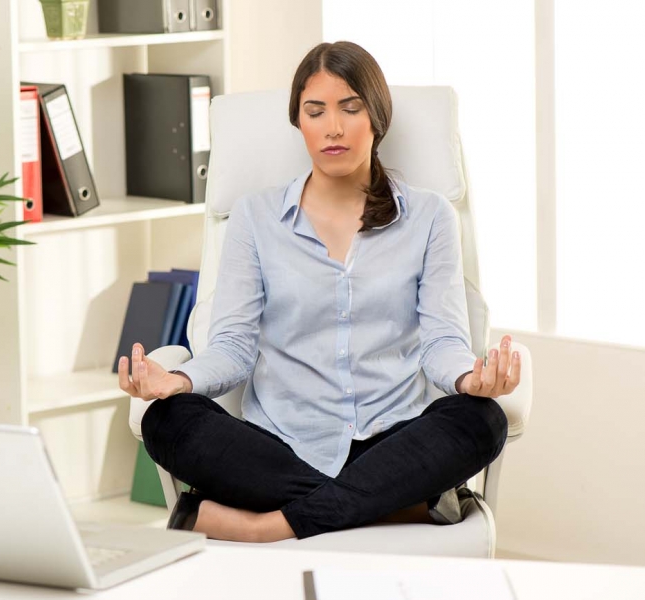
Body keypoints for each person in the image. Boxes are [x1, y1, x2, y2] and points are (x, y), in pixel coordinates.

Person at [117, 40, 519, 543]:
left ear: (376, 117)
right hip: (281, 446)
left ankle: (269, 525)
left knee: (481, 420)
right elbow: (234, 349)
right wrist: (177, 380)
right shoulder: (254, 216)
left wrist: (468, 378)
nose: (333, 127)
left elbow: (442, 340)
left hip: (392, 439)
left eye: (350, 108)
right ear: (299, 122)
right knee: (168, 420)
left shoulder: (430, 215)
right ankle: (399, 506)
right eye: (316, 111)